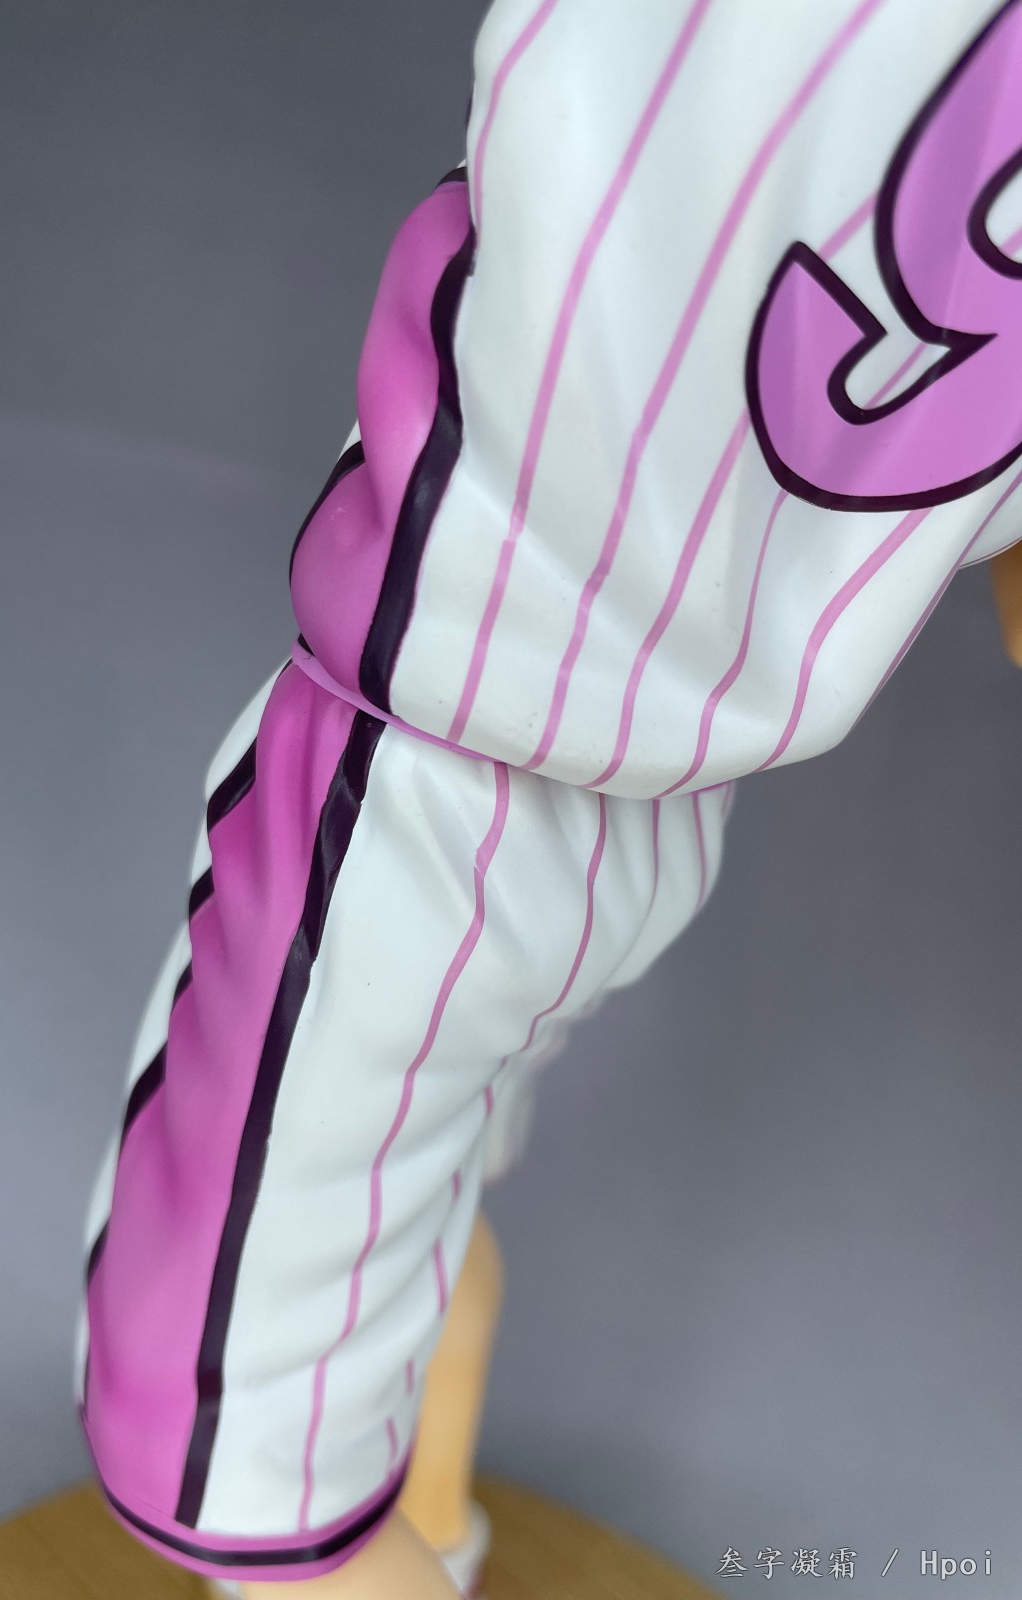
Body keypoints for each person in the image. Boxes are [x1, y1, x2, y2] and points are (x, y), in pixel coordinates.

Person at [75, 3, 1022, 1595]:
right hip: (601, 773)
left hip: (455, 762)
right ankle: (414, 1528)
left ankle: (365, 1539)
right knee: (402, 1231)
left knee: (255, 1428)